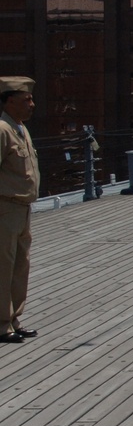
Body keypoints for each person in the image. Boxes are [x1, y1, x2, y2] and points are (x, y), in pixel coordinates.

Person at [0, 77, 40, 344]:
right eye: (26, 100)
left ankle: (14, 318)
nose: (32, 104)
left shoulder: (21, 128)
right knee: (3, 267)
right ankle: (2, 325)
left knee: (19, 266)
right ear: (10, 101)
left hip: (23, 209)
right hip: (5, 208)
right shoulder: (2, 129)